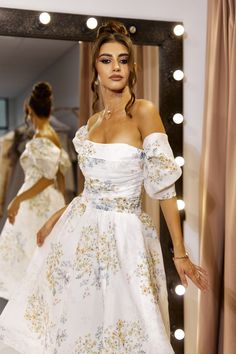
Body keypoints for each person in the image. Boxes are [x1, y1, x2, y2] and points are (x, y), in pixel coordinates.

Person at [0, 22, 208, 353]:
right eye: (107, 60)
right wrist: (57, 215)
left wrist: (180, 253)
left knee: (133, 327)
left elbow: (165, 189)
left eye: (123, 60)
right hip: (82, 231)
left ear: (132, 68)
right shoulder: (92, 124)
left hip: (127, 236)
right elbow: (88, 190)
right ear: (95, 67)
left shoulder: (143, 112)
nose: (115, 68)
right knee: (80, 323)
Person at [0, 81, 71, 300]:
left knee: (32, 253)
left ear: (30, 111)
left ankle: (30, 306)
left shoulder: (42, 138)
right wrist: (66, 203)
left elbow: (47, 178)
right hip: (48, 199)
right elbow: (59, 176)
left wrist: (17, 200)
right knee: (38, 253)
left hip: (37, 200)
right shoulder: (52, 136)